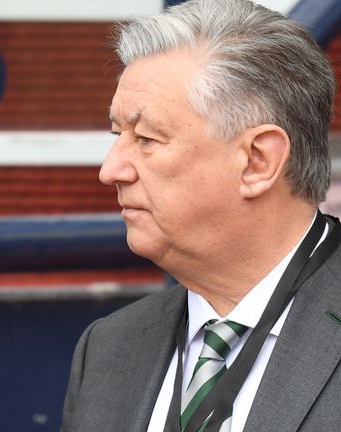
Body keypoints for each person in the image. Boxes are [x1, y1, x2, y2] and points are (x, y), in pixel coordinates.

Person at [61, 0, 341, 431]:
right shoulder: (108, 348)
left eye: (147, 138)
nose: (110, 170)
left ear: (257, 162)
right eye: (118, 134)